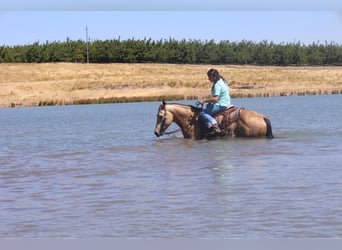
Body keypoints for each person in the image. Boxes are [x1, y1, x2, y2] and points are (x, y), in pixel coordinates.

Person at [199, 68, 231, 137]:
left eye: (209, 77)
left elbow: (216, 99)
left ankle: (215, 126)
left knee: (202, 113)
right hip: (226, 103)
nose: (208, 79)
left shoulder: (217, 85)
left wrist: (204, 100)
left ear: (214, 76)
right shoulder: (222, 81)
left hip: (221, 104)